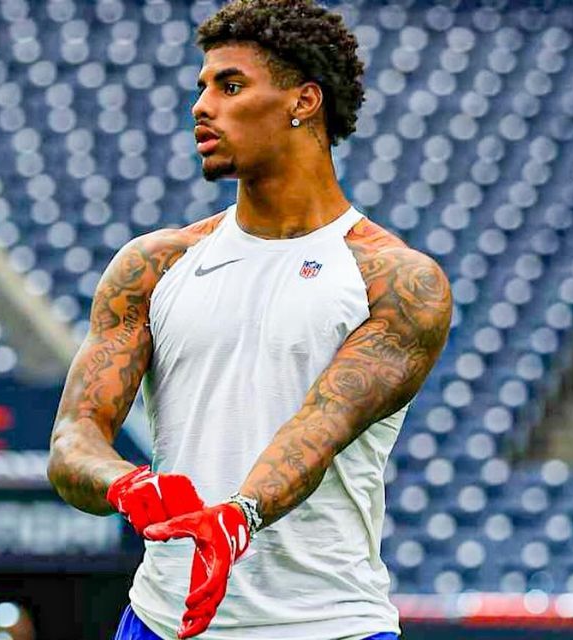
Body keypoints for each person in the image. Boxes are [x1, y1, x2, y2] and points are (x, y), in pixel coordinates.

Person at [47, 1, 453, 638]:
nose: (201, 106)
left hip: (329, 624)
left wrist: (237, 516)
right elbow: (73, 440)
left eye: (230, 86)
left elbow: (320, 427)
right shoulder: (150, 265)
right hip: (162, 620)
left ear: (304, 101)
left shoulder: (397, 280)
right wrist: (129, 486)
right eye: (201, 86)